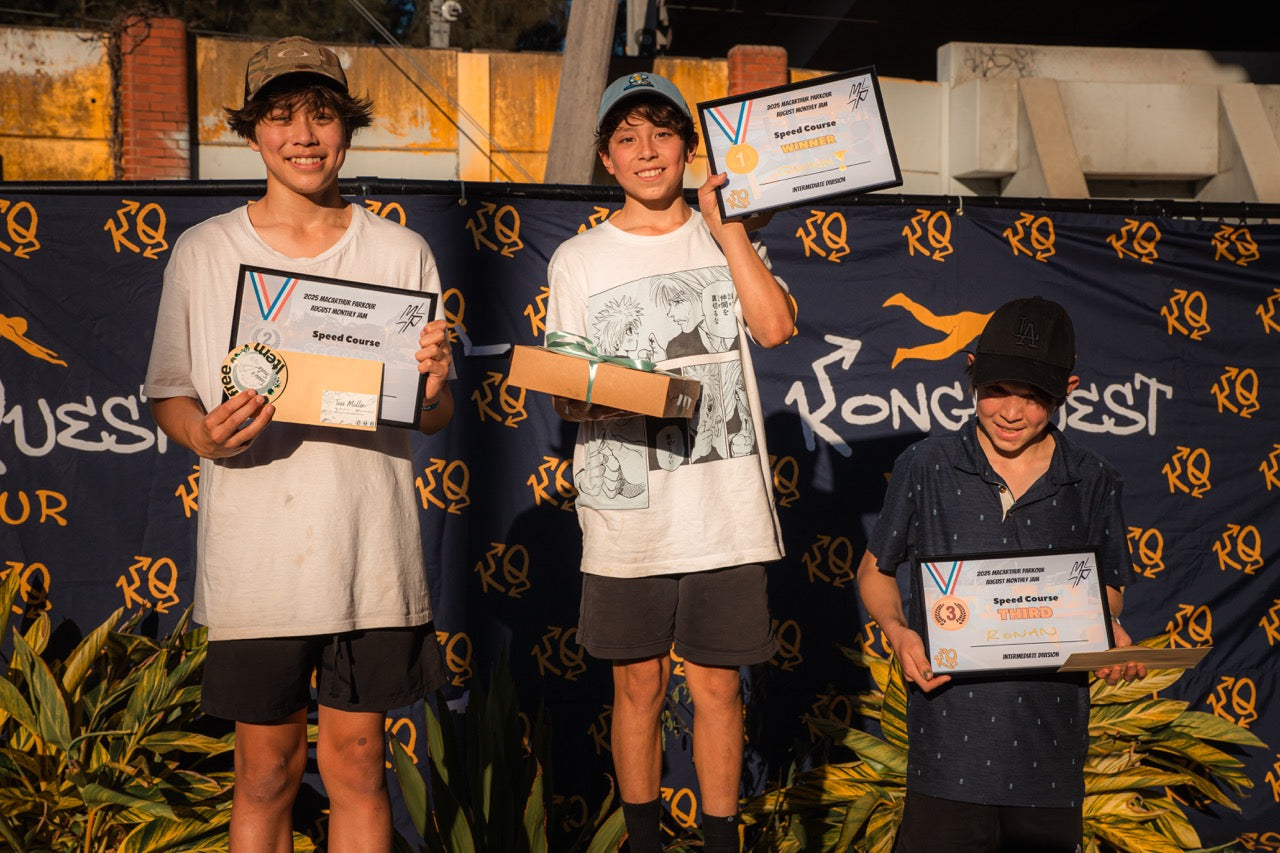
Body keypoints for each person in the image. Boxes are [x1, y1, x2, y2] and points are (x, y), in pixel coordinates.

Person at [143, 36, 454, 852]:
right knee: (268, 772)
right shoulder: (205, 251)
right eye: (281, 117)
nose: (305, 134)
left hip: (370, 554)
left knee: (359, 763)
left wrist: (432, 384)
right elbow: (170, 391)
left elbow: (431, 414)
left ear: (348, 128)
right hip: (258, 561)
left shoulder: (400, 251)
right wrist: (201, 433)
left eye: (322, 114)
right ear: (252, 134)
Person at [544, 71, 795, 853]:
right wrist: (620, 395)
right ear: (605, 158)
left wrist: (729, 231)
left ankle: (723, 843)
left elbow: (777, 327)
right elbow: (564, 391)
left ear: (690, 148)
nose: (647, 151)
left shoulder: (727, 236)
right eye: (628, 138)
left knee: (720, 685)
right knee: (638, 684)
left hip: (726, 514)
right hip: (629, 514)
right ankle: (645, 843)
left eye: (662, 134)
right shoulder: (578, 258)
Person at [855, 296, 1147, 852]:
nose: (1012, 412)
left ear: (1070, 391)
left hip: (1049, 751)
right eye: (997, 391)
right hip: (948, 749)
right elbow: (874, 571)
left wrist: (1104, 629)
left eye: (1035, 397)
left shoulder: (1094, 479)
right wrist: (898, 633)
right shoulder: (927, 465)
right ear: (970, 371)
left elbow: (1107, 592)